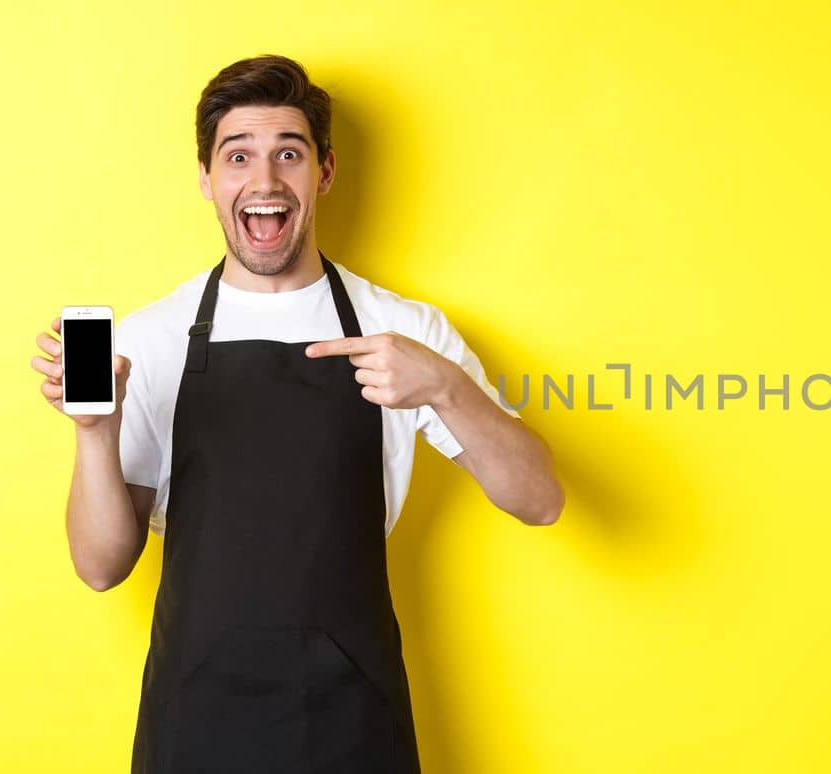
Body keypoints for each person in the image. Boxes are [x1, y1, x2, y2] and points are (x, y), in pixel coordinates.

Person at [28, 54, 565, 773]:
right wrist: (95, 432)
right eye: (238, 156)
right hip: (196, 716)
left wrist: (447, 388)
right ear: (206, 179)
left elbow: (540, 500)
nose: (265, 181)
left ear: (325, 172)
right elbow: (100, 567)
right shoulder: (151, 339)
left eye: (289, 153)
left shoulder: (401, 329)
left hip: (354, 717)